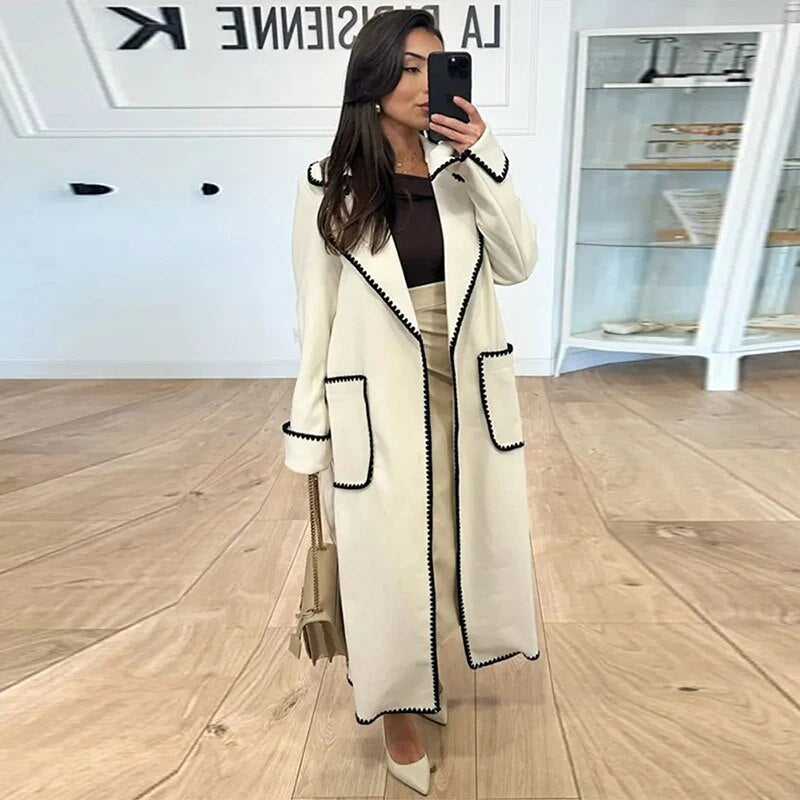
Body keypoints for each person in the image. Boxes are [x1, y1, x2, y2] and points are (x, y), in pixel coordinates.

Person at [281, 9, 541, 796]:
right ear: (373, 78)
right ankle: (398, 712)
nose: (428, 83)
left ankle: (426, 680)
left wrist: (484, 154)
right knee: (387, 558)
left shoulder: (461, 171)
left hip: (465, 386)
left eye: (439, 66)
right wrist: (309, 436)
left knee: (452, 546)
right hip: (376, 395)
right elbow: (316, 318)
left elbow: (518, 263)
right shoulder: (327, 185)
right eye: (411, 67)